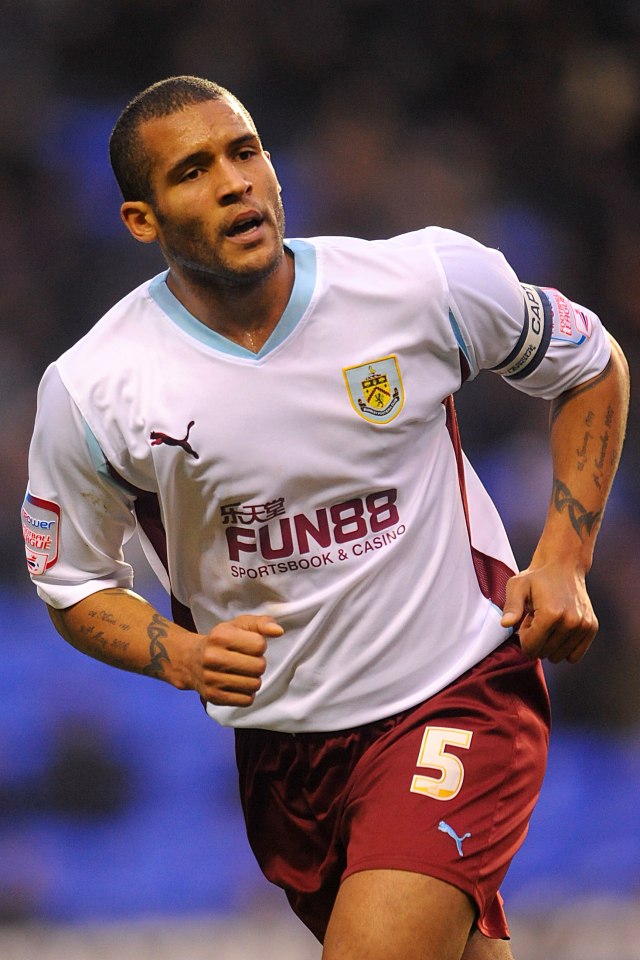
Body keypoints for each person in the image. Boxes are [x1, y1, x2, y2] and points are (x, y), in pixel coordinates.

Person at [23, 76, 629, 960]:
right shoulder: (94, 391)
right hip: (290, 754)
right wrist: (182, 655)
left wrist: (565, 556)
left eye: (245, 151)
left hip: (458, 689)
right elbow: (73, 583)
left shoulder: (420, 283)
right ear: (141, 220)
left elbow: (591, 364)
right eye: (194, 170)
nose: (235, 181)